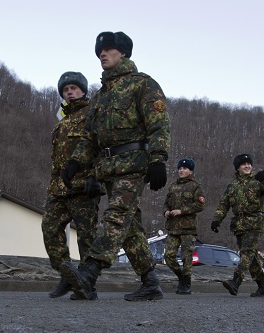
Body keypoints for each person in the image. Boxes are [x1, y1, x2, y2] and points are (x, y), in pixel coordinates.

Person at [60, 31, 171, 301]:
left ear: (123, 53)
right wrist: (75, 162)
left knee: (115, 216)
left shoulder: (142, 84)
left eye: (108, 50)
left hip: (134, 163)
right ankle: (150, 282)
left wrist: (158, 159)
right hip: (108, 168)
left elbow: (159, 124)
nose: (102, 54)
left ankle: (89, 273)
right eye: (100, 51)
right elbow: (89, 137)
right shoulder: (99, 97)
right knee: (130, 227)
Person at [41, 71, 100, 300]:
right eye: (66, 90)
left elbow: (101, 146)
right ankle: (68, 276)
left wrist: (96, 177)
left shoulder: (92, 115)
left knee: (86, 237)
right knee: (50, 228)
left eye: (74, 88)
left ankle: (87, 283)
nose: (70, 92)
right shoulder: (61, 124)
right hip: (58, 188)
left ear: (83, 90)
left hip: (84, 185)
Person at [211, 153, 264, 297]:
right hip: (239, 224)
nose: (247, 166)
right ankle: (262, 286)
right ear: (238, 168)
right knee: (251, 257)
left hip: (254, 222)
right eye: (244, 164)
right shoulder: (232, 186)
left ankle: (236, 282)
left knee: (246, 252)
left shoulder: (258, 180)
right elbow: (224, 205)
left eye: (249, 163)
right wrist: (217, 219)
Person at [163, 158, 206, 295]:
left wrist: (182, 211)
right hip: (173, 227)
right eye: (180, 168)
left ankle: (186, 284)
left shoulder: (195, 187)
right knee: (168, 256)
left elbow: (200, 205)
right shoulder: (173, 186)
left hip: (188, 228)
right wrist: (166, 212)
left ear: (191, 171)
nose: (182, 170)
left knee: (186, 257)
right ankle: (181, 277)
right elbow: (166, 203)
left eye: (185, 168)